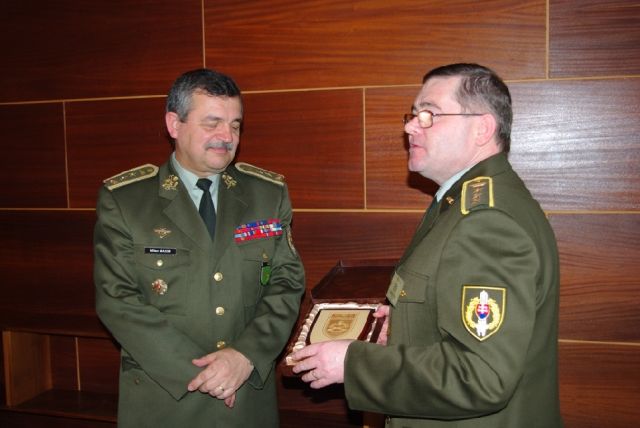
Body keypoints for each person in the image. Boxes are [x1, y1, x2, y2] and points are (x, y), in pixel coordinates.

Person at [292, 63, 562, 427]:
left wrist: (352, 363)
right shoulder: (460, 203)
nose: (409, 127)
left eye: (429, 114)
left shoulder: (487, 221)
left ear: (482, 128)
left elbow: (480, 376)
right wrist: (405, 325)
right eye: (414, 114)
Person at [94, 68, 305, 427]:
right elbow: (117, 299)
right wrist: (202, 374)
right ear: (174, 124)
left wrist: (245, 356)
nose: (227, 137)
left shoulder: (268, 194)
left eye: (235, 125)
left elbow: (287, 282)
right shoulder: (126, 201)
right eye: (212, 123)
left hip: (246, 398)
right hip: (165, 398)